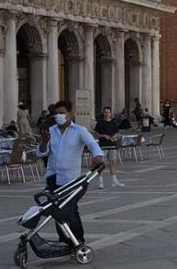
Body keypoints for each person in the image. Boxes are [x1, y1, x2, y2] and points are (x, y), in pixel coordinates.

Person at [36, 100, 104, 245]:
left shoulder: (79, 130)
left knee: (69, 209)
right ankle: (64, 240)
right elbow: (41, 153)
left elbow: (92, 144)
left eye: (62, 113)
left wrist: (97, 156)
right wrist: (43, 142)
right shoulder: (51, 131)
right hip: (53, 176)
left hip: (71, 179)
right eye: (56, 113)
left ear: (70, 114)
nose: (59, 116)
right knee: (56, 210)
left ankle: (78, 240)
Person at [94, 106, 125, 189]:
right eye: (105, 112)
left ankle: (114, 180)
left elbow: (116, 132)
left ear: (110, 113)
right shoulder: (100, 122)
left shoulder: (113, 122)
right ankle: (100, 181)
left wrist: (114, 136)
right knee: (101, 164)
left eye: (108, 112)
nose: (107, 114)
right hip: (103, 145)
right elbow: (96, 133)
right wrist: (103, 135)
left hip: (112, 145)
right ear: (103, 113)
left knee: (113, 162)